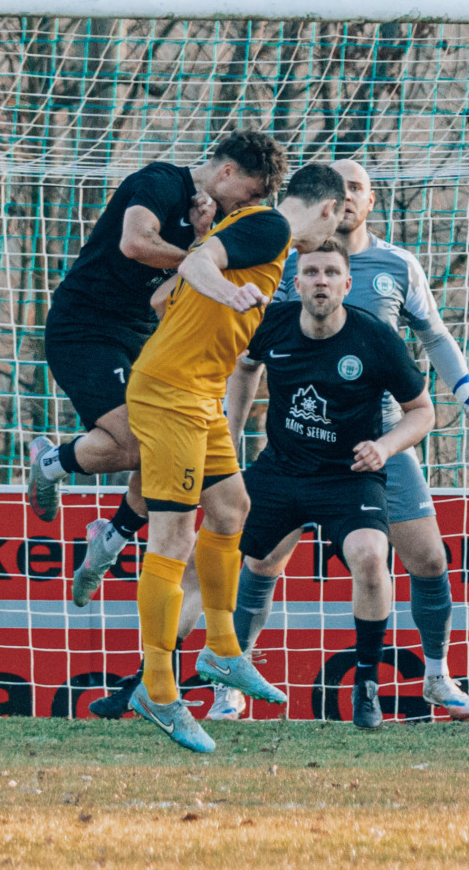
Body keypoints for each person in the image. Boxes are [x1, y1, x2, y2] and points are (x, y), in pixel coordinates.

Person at [202, 158, 469, 722]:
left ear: (369, 200)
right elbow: (247, 359)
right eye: (338, 191)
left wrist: (467, 395)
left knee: (427, 559)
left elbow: (435, 337)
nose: (346, 200)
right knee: (260, 561)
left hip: (378, 442)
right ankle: (229, 681)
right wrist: (229, 434)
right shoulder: (286, 263)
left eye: (357, 188)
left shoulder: (397, 265)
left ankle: (436, 676)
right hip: (297, 446)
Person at [125, 163, 346, 752]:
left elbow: (162, 296)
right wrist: (226, 291)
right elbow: (195, 267)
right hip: (171, 393)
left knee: (231, 509)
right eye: (338, 219)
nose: (334, 234)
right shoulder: (272, 229)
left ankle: (222, 649)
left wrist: (203, 310)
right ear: (327, 208)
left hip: (198, 392)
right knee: (172, 539)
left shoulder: (255, 232)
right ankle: (157, 689)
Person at [29, 133, 285, 568]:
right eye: (252, 194)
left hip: (146, 336)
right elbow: (135, 242)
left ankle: (112, 534)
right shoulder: (161, 182)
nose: (251, 205)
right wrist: (196, 256)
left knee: (166, 446)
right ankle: (51, 462)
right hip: (86, 328)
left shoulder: (215, 220)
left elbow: (163, 297)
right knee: (137, 445)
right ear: (227, 172)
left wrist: (202, 240)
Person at [223, 243, 435, 729]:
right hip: (281, 469)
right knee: (225, 556)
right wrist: (229, 436)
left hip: (348, 475)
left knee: (370, 556)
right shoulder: (272, 323)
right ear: (296, 283)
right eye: (312, 272)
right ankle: (205, 676)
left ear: (346, 284)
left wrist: (384, 447)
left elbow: (424, 412)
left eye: (332, 272)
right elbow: (245, 366)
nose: (321, 280)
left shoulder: (375, 337)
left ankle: (366, 684)